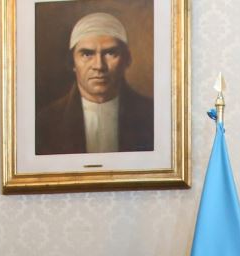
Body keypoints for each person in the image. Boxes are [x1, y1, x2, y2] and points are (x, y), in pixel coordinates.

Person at [35, 11, 154, 155]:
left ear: (126, 60)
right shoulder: (44, 122)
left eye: (110, 53)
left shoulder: (151, 115)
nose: (99, 66)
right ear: (72, 62)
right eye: (87, 54)